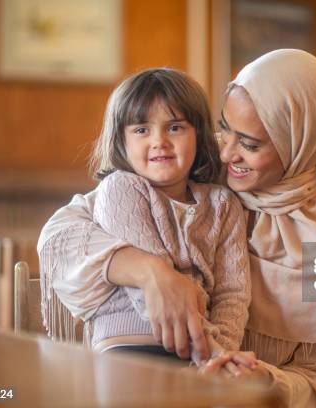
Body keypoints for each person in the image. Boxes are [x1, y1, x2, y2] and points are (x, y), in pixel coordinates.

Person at [38, 49, 316, 407]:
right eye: (224, 129)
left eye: (249, 144)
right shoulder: (194, 168)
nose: (227, 153)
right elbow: (60, 235)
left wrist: (263, 379)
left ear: (302, 144)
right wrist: (149, 271)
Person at [38, 68, 252, 368]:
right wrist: (209, 350)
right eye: (141, 129)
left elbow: (233, 292)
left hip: (203, 350)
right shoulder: (120, 188)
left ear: (199, 134)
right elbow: (150, 293)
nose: (159, 140)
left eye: (175, 127)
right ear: (121, 141)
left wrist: (222, 353)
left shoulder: (223, 203)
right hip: (129, 344)